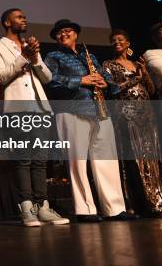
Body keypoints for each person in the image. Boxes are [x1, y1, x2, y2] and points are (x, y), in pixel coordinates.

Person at [44, 19, 136, 222]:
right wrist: (81, 80)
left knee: (107, 160)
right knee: (77, 162)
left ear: (76, 34)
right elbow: (49, 79)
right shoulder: (53, 56)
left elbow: (109, 82)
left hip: (99, 110)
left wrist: (105, 83)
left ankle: (114, 208)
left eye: (67, 31)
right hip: (71, 111)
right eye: (59, 33)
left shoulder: (91, 57)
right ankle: (85, 209)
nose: (63, 34)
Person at [0, 9, 69, 226]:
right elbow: (1, 76)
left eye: (25, 16)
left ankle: (42, 207)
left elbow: (47, 77)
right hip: (18, 109)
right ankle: (26, 208)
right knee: (23, 159)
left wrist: (34, 58)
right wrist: (23, 56)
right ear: (7, 21)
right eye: (19, 16)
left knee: (41, 161)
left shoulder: (30, 47)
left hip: (40, 108)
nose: (24, 19)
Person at [102, 29, 162, 214]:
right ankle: (139, 203)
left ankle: (157, 202)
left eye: (120, 39)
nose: (116, 42)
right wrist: (133, 80)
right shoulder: (109, 64)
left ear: (128, 43)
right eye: (113, 41)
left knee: (151, 158)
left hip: (146, 115)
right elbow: (111, 89)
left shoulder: (136, 63)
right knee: (134, 159)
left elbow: (151, 90)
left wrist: (143, 72)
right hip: (126, 114)